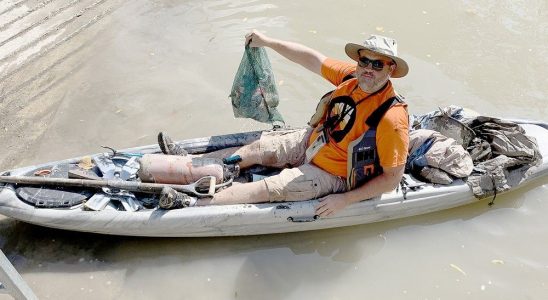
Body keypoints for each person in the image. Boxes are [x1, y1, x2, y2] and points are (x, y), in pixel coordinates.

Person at [159, 30, 410, 217]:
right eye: (364, 61)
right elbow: (310, 58)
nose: (368, 68)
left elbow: (391, 179)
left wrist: (344, 199)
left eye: (378, 65)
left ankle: (189, 203)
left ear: (390, 70)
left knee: (269, 187)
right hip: (311, 141)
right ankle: (196, 166)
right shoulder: (350, 77)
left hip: (334, 174)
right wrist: (267, 41)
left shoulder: (391, 119)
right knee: (255, 149)